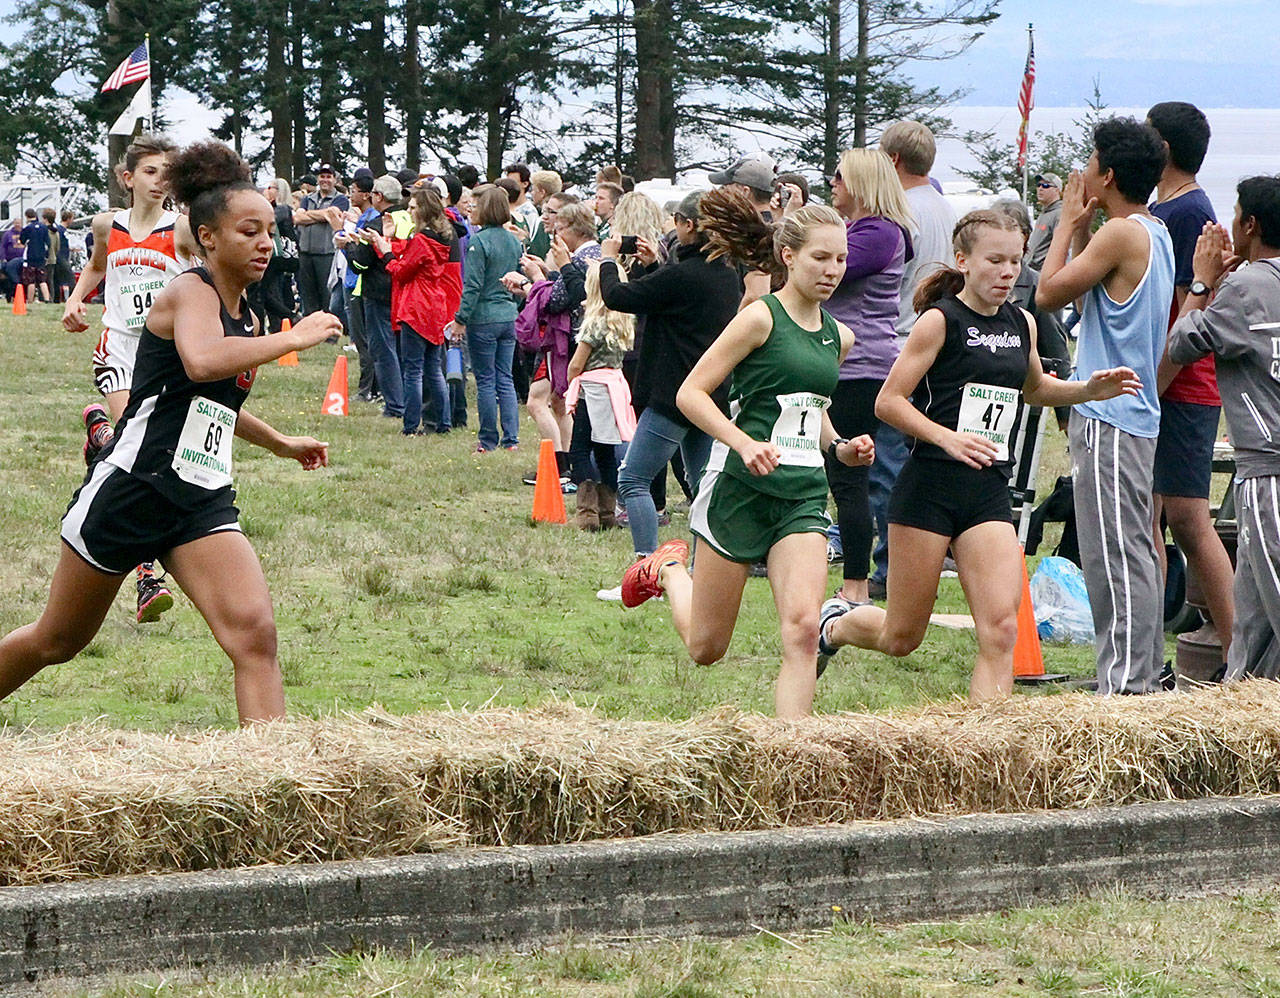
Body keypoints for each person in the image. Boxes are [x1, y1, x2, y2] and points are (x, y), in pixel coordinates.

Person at [0, 141, 341, 726]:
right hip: (131, 489)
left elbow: (210, 404)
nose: (265, 244)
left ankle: (275, 780)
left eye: (269, 232)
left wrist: (282, 443)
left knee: (254, 636)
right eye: (248, 232)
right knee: (57, 641)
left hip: (197, 497)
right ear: (207, 237)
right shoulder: (189, 290)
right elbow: (204, 361)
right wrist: (294, 337)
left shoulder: (248, 316)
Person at [818, 210, 1140, 701]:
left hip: (988, 490)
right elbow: (888, 401)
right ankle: (834, 628)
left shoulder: (1023, 323)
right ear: (964, 261)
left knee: (1001, 630)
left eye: (1014, 261)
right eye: (995, 260)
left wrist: (1087, 391)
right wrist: (946, 437)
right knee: (902, 637)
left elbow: (1034, 389)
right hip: (929, 488)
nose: (1008, 272)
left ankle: (989, 749)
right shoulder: (938, 322)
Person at [620, 205, 875, 719]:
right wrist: (742, 443)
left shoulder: (839, 336)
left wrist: (840, 446)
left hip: (801, 495)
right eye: (820, 257)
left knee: (803, 631)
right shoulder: (759, 317)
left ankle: (791, 760)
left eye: (841, 259)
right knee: (706, 648)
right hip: (738, 488)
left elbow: (809, 408)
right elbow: (691, 393)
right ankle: (668, 569)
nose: (832, 270)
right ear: (789, 255)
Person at [1037, 117, 1174, 696]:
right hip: (1136, 416)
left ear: (1109, 174)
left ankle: (1122, 684)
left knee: (1110, 554)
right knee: (1134, 548)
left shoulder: (1118, 234)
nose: (1081, 174)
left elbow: (1045, 293)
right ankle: (1138, 675)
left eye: (1090, 164)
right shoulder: (1157, 230)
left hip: (1109, 416)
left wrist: (1068, 222)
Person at [62, 134, 201, 623]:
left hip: (162, 356)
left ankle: (98, 432)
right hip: (119, 348)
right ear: (128, 178)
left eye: (167, 171)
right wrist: (77, 299)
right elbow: (98, 267)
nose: (160, 180)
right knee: (133, 453)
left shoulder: (181, 229)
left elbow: (207, 278)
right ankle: (146, 576)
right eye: (150, 171)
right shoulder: (107, 225)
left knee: (137, 445)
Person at [1167, 177, 1280, 681]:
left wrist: (1202, 281)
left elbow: (1180, 344)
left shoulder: (1243, 288)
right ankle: (1240, 708)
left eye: (1237, 214)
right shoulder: (1257, 282)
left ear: (1250, 224)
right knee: (1253, 621)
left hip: (1268, 471)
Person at [599, 190, 743, 565]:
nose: (673, 228)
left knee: (633, 478)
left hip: (673, 394)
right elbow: (670, 304)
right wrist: (651, 269)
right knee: (702, 488)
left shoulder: (682, 275)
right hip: (709, 394)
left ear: (689, 226)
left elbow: (618, 297)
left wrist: (608, 260)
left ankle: (645, 566)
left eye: (677, 221)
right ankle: (701, 568)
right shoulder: (726, 276)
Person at [1147, 101, 1234, 662]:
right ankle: (1146, 645)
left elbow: (1186, 314)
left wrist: (1156, 383)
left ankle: (1238, 646)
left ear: (1167, 150)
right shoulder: (1164, 207)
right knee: (1148, 514)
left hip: (1184, 384)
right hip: (1164, 382)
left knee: (1188, 517)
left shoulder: (1187, 213)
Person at [868, 120, 956, 600]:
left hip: (901, 339)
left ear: (894, 161)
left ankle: (890, 567)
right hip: (938, 342)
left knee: (888, 463)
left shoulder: (899, 213)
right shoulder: (945, 208)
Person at [822, 148, 914, 605]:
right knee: (855, 478)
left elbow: (825, 272)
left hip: (858, 369)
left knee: (850, 478)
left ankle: (857, 585)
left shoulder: (877, 231)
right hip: (860, 364)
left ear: (860, 181)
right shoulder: (870, 231)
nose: (832, 183)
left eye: (839, 176)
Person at [371, 187, 462, 436]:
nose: (408, 211)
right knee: (434, 368)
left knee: (413, 370)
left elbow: (400, 270)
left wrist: (384, 250)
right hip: (435, 305)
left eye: (412, 207)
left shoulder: (422, 239)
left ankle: (411, 425)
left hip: (417, 306)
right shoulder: (441, 236)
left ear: (423, 210)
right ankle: (442, 423)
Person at [446, 185, 523, 452]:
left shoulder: (479, 241)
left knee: (486, 380)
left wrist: (460, 318)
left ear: (486, 209)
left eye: (476, 206)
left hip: (484, 318)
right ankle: (511, 439)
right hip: (508, 316)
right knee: (506, 378)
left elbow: (473, 285)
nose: (472, 210)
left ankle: (488, 439)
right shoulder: (514, 241)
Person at [564, 262, 636, 529]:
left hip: (592, 390)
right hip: (614, 387)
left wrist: (571, 378)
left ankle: (587, 511)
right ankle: (608, 510)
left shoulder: (593, 324)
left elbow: (577, 363)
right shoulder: (623, 321)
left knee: (580, 449)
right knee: (605, 450)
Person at [348, 175, 405, 420]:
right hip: (405, 290)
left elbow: (360, 264)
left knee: (383, 350)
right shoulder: (409, 217)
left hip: (380, 292)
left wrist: (348, 247)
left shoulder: (378, 223)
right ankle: (407, 399)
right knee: (405, 351)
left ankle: (394, 404)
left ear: (379, 197)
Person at [292, 163, 348, 316]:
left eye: (328, 177)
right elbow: (297, 218)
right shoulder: (307, 198)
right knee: (308, 296)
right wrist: (323, 215)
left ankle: (329, 332)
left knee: (327, 295)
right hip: (305, 253)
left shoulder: (341, 199)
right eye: (322, 176)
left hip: (326, 254)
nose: (325, 180)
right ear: (318, 178)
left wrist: (308, 215)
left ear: (334, 180)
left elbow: (332, 214)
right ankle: (311, 332)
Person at [1024, 172, 1062, 270]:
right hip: (1029, 269)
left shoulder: (1059, 214)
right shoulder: (1044, 213)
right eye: (1038, 185)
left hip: (1041, 274)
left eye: (1045, 185)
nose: (1040, 188)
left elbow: (1060, 249)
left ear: (1057, 190)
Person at [19, 208, 52, 304]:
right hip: (41, 257)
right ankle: (47, 299)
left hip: (31, 256)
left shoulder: (27, 228)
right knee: (42, 280)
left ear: (27, 217)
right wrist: (46, 255)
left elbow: (22, 241)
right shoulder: (44, 227)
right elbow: (48, 243)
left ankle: (30, 300)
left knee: (31, 280)